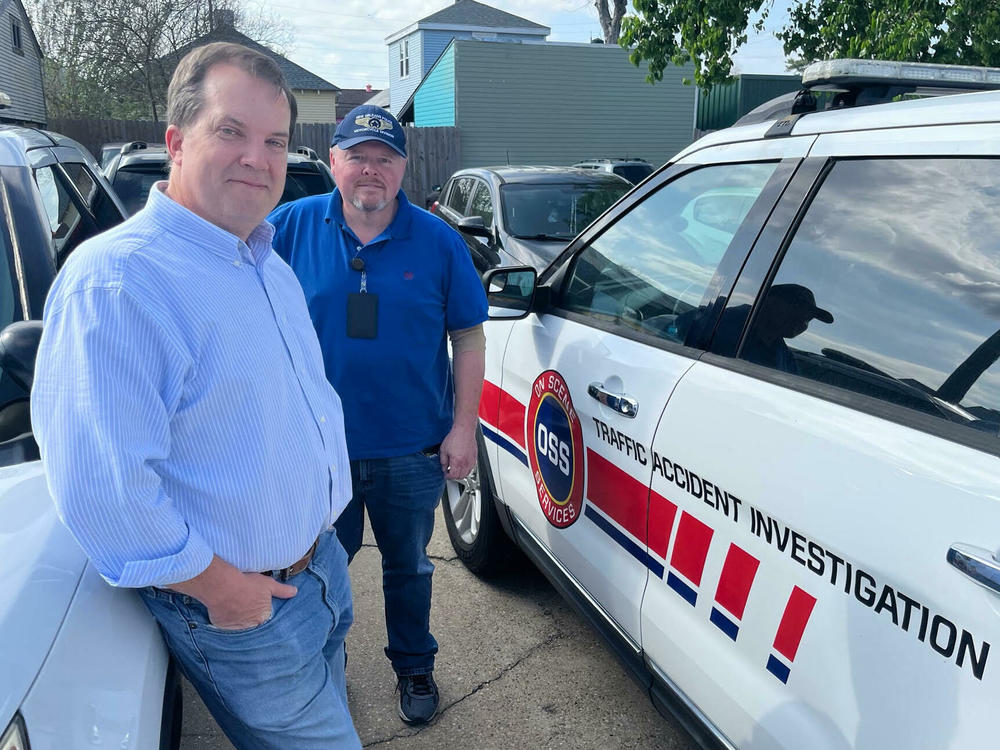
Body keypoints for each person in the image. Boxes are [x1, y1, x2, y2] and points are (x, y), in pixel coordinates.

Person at [30, 43, 361, 750]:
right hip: (244, 603)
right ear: (177, 141)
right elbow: (105, 491)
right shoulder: (120, 283)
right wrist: (221, 589)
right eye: (231, 132)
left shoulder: (261, 259)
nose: (259, 158)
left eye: (274, 141)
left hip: (317, 573)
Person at [269, 104, 488, 725]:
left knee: (411, 568)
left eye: (385, 158)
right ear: (333, 162)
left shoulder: (439, 241)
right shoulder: (288, 228)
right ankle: (322, 671)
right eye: (358, 156)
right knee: (312, 575)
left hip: (410, 450)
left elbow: (468, 337)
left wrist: (463, 426)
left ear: (403, 169)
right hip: (316, 451)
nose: (371, 169)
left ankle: (414, 664)